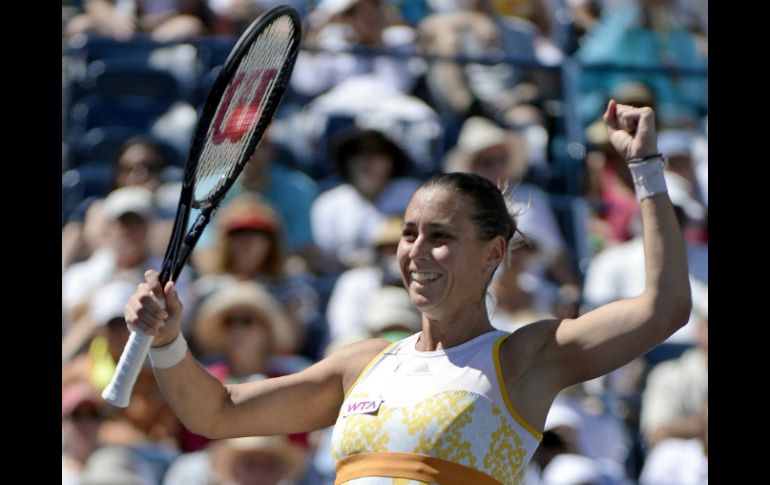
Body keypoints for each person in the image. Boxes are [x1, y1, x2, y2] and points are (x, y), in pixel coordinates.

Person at [124, 101, 690, 484]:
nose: (416, 251)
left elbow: (662, 308)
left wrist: (644, 168)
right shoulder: (362, 363)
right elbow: (217, 413)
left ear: (493, 253)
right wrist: (170, 340)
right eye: (409, 233)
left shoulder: (524, 358)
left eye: (441, 237)